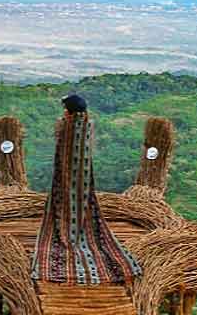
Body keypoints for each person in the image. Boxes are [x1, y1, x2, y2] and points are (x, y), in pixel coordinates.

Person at [31, 94, 142, 284]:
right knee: (81, 201)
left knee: (65, 201)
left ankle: (67, 229)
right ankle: (79, 224)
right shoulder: (87, 125)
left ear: (69, 111)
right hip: (82, 179)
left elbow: (60, 141)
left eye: (66, 109)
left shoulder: (67, 126)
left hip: (66, 177)